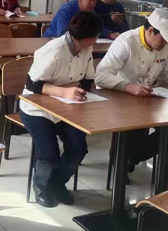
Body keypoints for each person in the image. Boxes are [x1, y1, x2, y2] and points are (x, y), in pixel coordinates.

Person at [95, 8, 168, 178]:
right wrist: (129, 87)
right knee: (131, 132)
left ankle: (131, 157)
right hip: (122, 99)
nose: (165, 44)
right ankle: (120, 162)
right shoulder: (126, 42)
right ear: (151, 31)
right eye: (163, 39)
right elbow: (101, 75)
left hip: (149, 99)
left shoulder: (163, 47)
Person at [20, 12, 102, 208]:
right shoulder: (54, 50)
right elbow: (32, 84)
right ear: (90, 38)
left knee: (78, 148)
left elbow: (87, 80)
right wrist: (64, 91)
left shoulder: (86, 49)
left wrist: (77, 90)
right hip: (37, 108)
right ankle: (41, 186)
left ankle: (56, 183)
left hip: (67, 108)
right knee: (50, 153)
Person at [44, 0, 116, 39]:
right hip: (52, 40)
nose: (93, 4)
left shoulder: (90, 10)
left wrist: (109, 34)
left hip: (77, 42)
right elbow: (62, 33)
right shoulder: (66, 10)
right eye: (90, 0)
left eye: (95, 1)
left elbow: (97, 26)